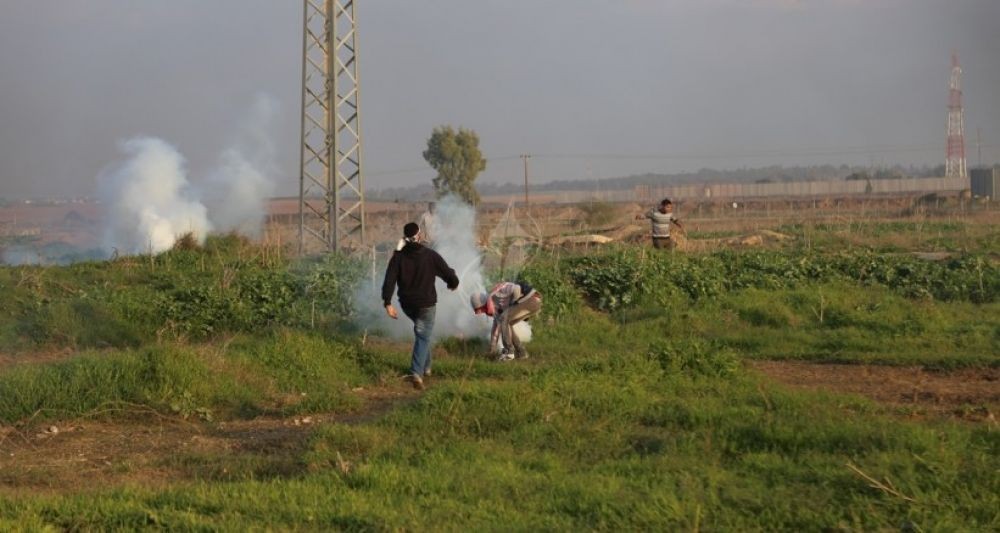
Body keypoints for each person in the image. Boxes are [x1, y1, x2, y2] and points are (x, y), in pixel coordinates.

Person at [382, 222, 460, 390]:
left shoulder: (398, 257)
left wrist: (387, 303)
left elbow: (389, 280)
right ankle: (416, 373)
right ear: (418, 236)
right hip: (426, 304)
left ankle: (427, 367)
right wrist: (453, 283)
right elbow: (447, 273)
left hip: (407, 304)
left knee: (423, 333)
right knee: (423, 336)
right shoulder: (430, 255)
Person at [470, 280, 542, 361]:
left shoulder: (495, 295)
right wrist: (492, 348)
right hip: (531, 302)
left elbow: (517, 288)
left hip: (532, 299)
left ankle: (508, 352)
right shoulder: (497, 307)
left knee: (504, 318)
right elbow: (495, 329)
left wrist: (513, 304)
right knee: (507, 323)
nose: (485, 313)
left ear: (484, 303)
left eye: (482, 309)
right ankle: (521, 352)